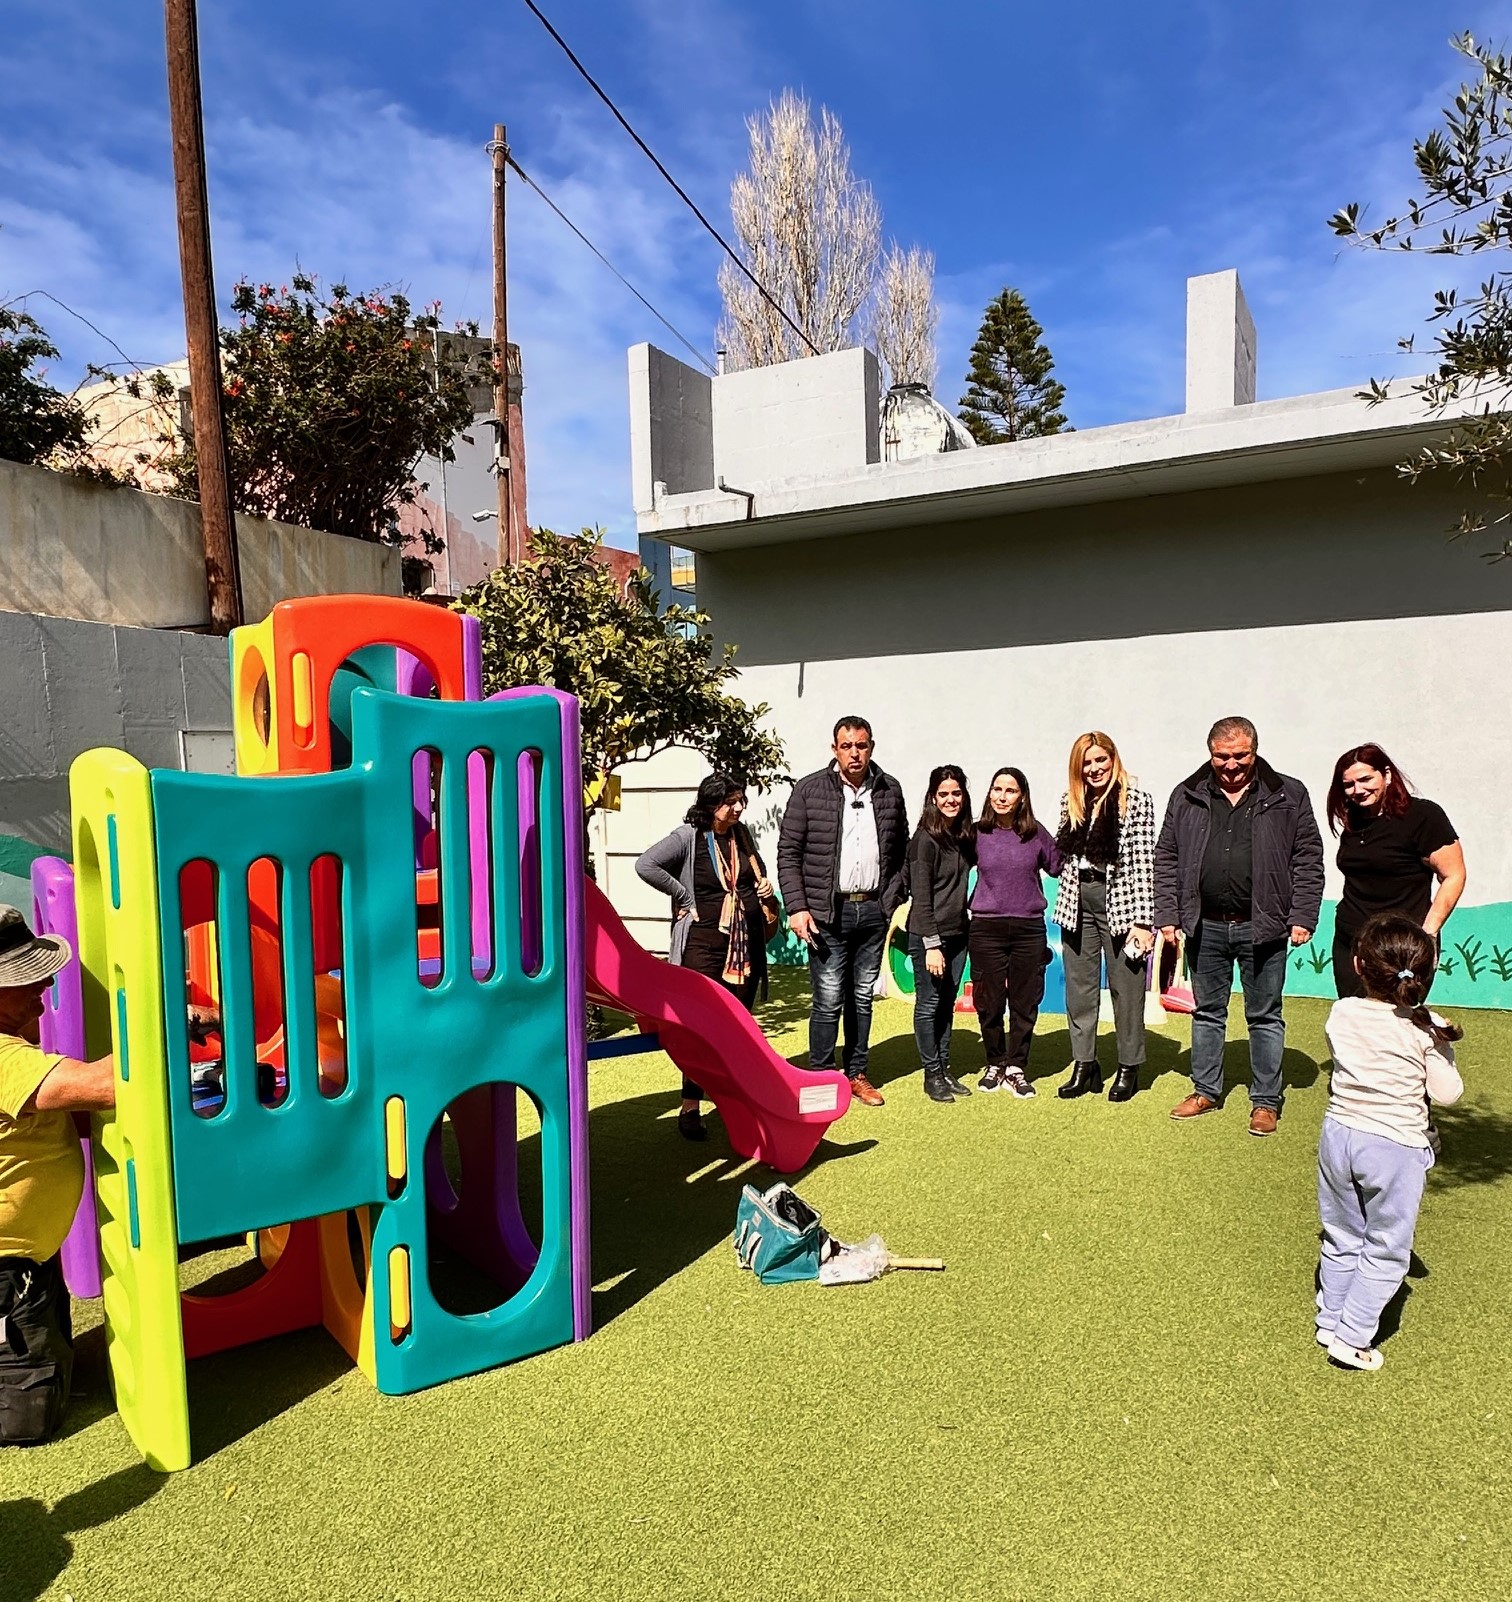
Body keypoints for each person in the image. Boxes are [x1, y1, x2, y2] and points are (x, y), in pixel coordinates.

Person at [1155, 716, 1325, 1135]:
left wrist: (1302, 914)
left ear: (1255, 750)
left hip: (1262, 926)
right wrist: (1169, 915)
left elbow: (1307, 857)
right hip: (1204, 926)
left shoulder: (1288, 793)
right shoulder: (1187, 794)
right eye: (1221, 756)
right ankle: (1206, 1091)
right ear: (1209, 753)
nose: (1231, 765)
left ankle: (1266, 1101)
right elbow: (1167, 857)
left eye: (1240, 756)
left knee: (1265, 1015)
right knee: (1207, 1012)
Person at [1315, 913, 1463, 1370]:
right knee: (1385, 1248)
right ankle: (1352, 1336)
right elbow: (1448, 1093)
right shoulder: (1421, 1030)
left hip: (1339, 1136)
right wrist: (1440, 1042)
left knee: (1342, 1236)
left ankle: (1329, 1318)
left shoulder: (1340, 1013)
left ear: (1358, 965)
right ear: (1424, 975)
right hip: (1393, 1146)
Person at [0, 905, 114, 1446]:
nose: (44, 983)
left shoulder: (14, 1053)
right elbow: (109, 1086)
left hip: (27, 1260)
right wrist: (164, 1017)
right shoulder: (2, 1058)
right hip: (6, 1270)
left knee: (49, 1361)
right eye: (24, 979)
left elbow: (63, 1117)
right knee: (27, 1417)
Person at [777, 718, 909, 1109]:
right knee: (829, 997)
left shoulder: (889, 790)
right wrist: (798, 907)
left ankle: (856, 1074)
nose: (855, 753)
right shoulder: (809, 790)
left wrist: (894, 897)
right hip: (825, 913)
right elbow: (788, 853)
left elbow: (900, 848)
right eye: (847, 746)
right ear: (834, 749)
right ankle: (821, 1078)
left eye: (862, 745)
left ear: (872, 747)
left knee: (862, 999)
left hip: (872, 911)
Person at [636, 774, 774, 1141]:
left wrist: (764, 885)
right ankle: (690, 1105)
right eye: (731, 802)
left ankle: (738, 1101)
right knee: (701, 1028)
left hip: (745, 943)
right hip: (702, 946)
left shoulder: (741, 835)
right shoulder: (688, 837)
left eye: (741, 800)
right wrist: (683, 896)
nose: (739, 808)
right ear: (711, 805)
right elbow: (645, 865)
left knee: (739, 1025)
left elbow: (751, 874)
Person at [1052, 733, 1156, 1103]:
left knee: (1126, 990)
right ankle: (1085, 1064)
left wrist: (1145, 922)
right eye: (1087, 763)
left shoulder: (1137, 801)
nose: (1095, 769)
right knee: (1079, 990)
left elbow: (1145, 863)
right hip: (1077, 900)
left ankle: (1129, 1066)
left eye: (1101, 760)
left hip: (1121, 904)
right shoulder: (1071, 802)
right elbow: (1064, 860)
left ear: (1113, 759)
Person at [1326, 743, 1465, 999]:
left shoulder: (1423, 816)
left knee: (1399, 1023)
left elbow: (1453, 875)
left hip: (1402, 944)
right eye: (1349, 784)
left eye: (1366, 779)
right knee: (1356, 1021)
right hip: (1352, 939)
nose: (1358, 790)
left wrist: (1429, 933)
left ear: (1387, 775)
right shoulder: (1354, 820)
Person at [969, 767, 1062, 1097]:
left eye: (1010, 790)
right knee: (989, 1002)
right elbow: (950, 866)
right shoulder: (976, 833)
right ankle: (995, 1062)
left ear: (1022, 795)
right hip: (986, 928)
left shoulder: (1035, 833)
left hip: (1027, 929)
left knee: (1025, 1002)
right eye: (996, 789)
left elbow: (1059, 864)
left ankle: (1016, 1066)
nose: (1002, 796)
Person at [907, 767, 976, 1104]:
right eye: (944, 794)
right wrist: (932, 945)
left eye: (956, 793)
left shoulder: (962, 837)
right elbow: (920, 897)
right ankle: (931, 1073)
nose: (951, 800)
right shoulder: (925, 840)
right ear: (933, 797)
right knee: (929, 1004)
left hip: (958, 935)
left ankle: (945, 1067)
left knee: (946, 1003)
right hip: (929, 938)